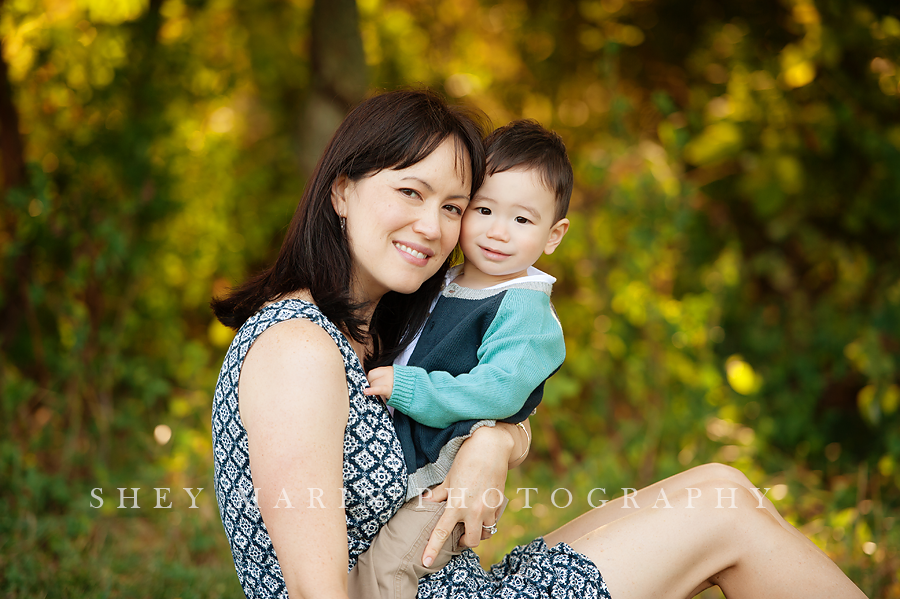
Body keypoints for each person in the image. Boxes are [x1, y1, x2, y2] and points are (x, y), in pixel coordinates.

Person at [211, 88, 867, 599]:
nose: (432, 225)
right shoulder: (298, 349)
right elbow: (312, 589)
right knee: (726, 514)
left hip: (460, 584)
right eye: (410, 191)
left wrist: (495, 441)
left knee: (724, 486)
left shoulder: (377, 331)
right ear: (342, 190)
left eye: (452, 205)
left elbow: (500, 405)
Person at [354, 120, 573, 599]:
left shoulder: (523, 305)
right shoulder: (444, 279)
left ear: (553, 235)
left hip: (448, 470)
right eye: (484, 209)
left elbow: (500, 390)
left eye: (522, 220)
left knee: (387, 572)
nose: (498, 232)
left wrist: (411, 388)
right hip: (412, 457)